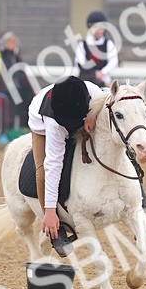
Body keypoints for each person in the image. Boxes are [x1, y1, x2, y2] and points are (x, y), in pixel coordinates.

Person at [29, 75, 104, 256]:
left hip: (79, 112)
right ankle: (56, 228)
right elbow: (53, 164)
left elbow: (111, 102)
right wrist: (49, 210)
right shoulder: (54, 123)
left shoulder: (94, 92)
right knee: (42, 173)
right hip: (42, 128)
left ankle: (137, 188)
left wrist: (93, 115)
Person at [0, 32, 34, 140]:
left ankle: (24, 131)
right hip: (3, 91)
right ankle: (3, 134)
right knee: (6, 109)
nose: (12, 44)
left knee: (28, 102)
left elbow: (23, 76)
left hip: (18, 90)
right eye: (9, 42)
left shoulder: (16, 57)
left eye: (13, 42)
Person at [74, 10, 119, 86]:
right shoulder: (82, 45)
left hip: (104, 82)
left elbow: (113, 62)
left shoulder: (109, 44)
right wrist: (93, 74)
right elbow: (80, 64)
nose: (98, 30)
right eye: (95, 27)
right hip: (86, 82)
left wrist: (102, 72)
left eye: (101, 27)